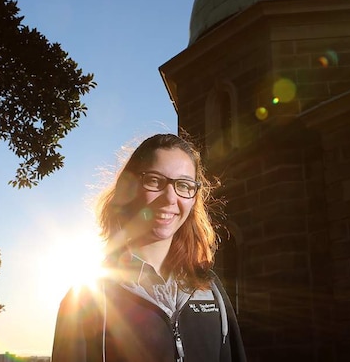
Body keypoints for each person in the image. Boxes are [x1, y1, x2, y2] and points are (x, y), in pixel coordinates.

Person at [51, 133, 246, 362]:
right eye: (155, 180)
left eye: (183, 185)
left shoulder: (210, 290)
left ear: (194, 198)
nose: (169, 198)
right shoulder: (88, 298)